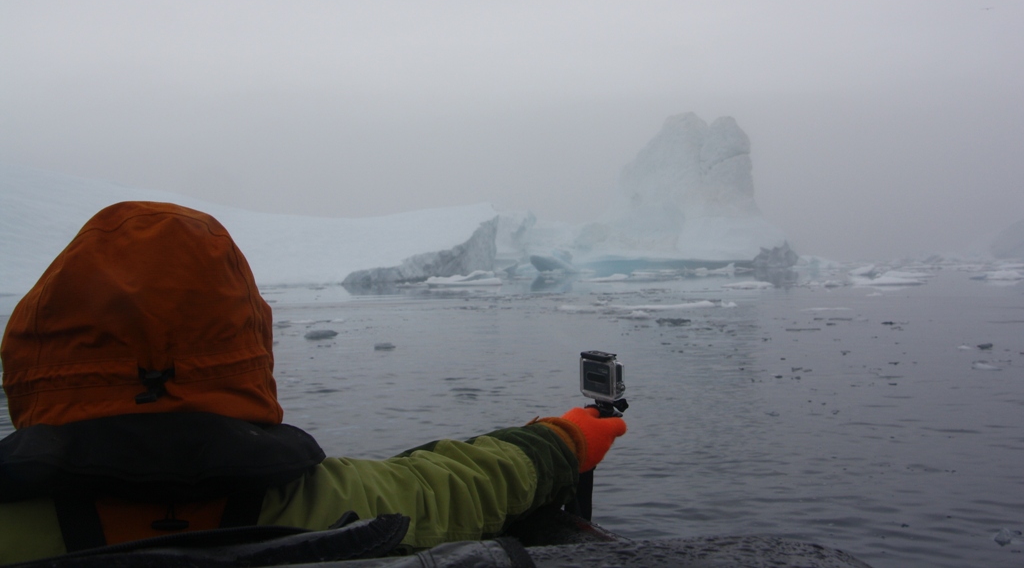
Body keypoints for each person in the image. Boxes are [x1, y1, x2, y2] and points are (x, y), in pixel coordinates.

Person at [0, 201, 626, 563]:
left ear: (36, 346)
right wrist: (562, 441)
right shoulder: (328, 505)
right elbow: (453, 487)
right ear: (248, 345)